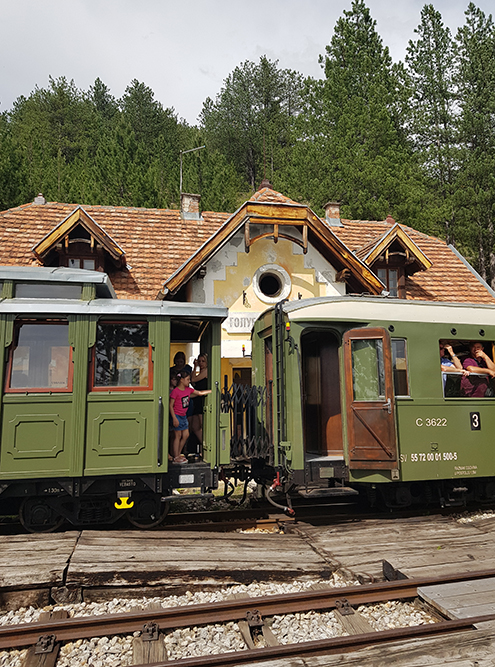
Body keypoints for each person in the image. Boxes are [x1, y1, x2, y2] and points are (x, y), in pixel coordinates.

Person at [169, 369, 211, 463]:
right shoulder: (176, 391)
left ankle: (178, 454)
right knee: (177, 435)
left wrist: (210, 391)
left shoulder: (188, 390)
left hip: (183, 416)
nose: (189, 381)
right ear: (182, 380)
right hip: (177, 415)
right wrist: (174, 418)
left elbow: (199, 393)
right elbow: (170, 405)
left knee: (186, 434)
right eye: (187, 379)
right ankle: (176, 456)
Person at [190, 353, 208, 446]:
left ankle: (208, 445)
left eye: (203, 361)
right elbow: (192, 382)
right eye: (199, 361)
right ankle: (204, 444)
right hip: (196, 400)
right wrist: (194, 367)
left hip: (202, 400)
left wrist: (195, 366)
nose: (201, 363)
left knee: (202, 425)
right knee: (195, 427)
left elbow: (193, 379)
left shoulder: (206, 371)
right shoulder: (200, 372)